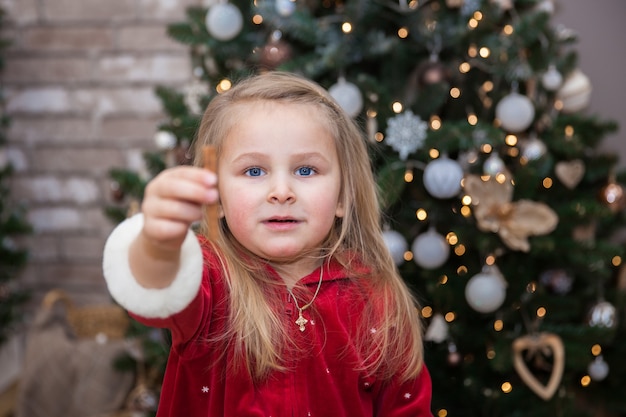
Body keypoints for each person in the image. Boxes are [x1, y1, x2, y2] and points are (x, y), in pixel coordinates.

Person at [103, 71, 432, 416]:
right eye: (254, 171)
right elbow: (155, 288)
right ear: (217, 196)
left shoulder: (376, 299)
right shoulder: (209, 279)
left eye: (305, 170)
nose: (281, 192)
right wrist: (159, 242)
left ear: (342, 196)